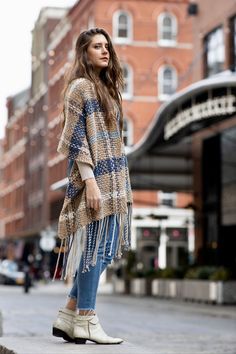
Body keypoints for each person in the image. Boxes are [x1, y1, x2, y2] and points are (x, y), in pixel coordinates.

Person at [52, 28, 133, 345]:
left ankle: (69, 314)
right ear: (83, 53)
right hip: (95, 179)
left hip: (115, 180)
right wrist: (90, 182)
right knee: (96, 249)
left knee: (105, 249)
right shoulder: (80, 88)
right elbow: (75, 139)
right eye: (96, 46)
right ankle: (86, 317)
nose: (104, 50)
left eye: (106, 46)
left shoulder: (106, 89)